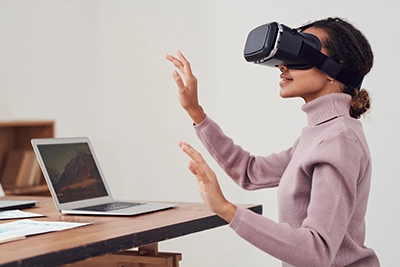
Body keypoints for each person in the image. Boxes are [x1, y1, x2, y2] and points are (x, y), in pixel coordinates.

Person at [166, 17, 380, 267]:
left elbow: (316, 251)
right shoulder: (321, 134)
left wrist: (225, 208)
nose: (282, 66)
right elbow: (250, 173)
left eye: (302, 51)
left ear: (335, 67)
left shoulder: (338, 140)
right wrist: (195, 111)